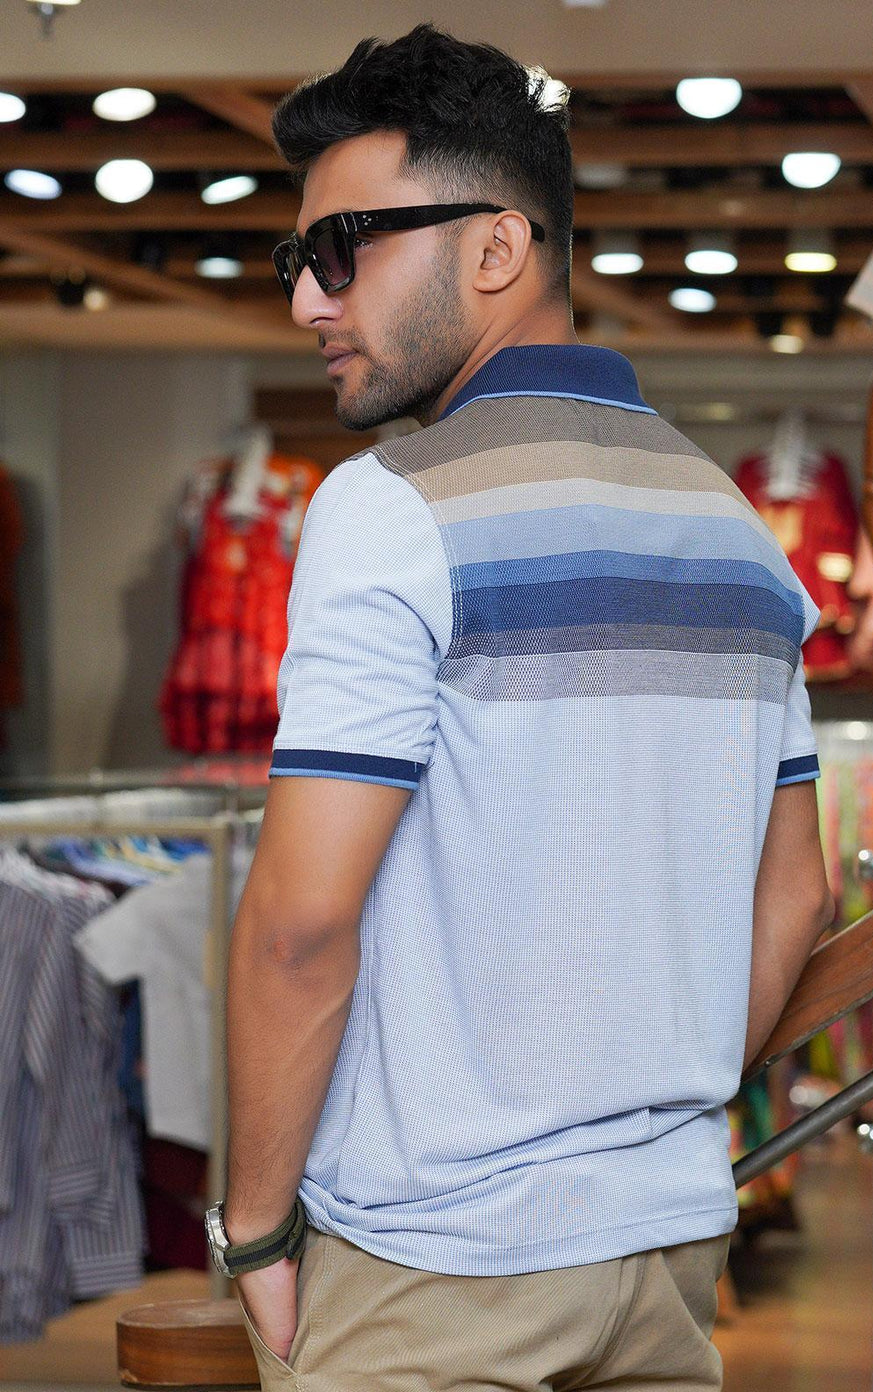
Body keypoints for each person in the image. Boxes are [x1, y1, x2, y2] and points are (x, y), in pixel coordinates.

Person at [212, 24, 834, 1391]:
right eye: (295, 258)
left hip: (434, 1264)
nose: (308, 299)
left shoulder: (393, 508)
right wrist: (638, 1127)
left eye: (342, 249)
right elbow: (798, 893)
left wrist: (250, 1229)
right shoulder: (735, 529)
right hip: (667, 1250)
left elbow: (301, 927)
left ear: (497, 249)